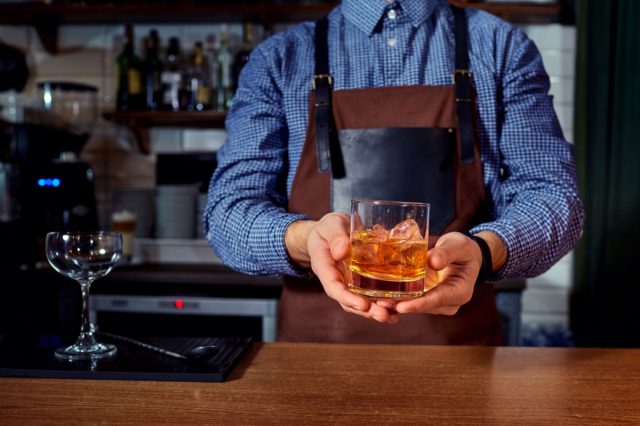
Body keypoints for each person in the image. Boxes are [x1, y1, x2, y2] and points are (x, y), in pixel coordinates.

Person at [204, 0, 584, 345]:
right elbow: (227, 214)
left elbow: (554, 197)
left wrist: (484, 251)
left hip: (462, 359)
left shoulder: (501, 47)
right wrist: (307, 239)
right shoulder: (280, 58)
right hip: (313, 361)